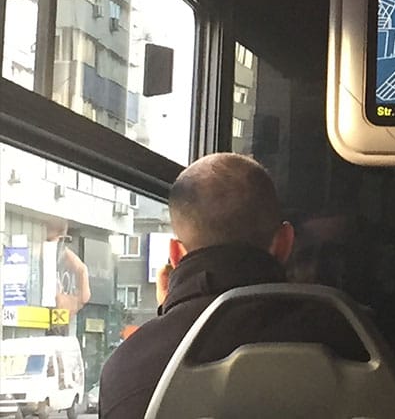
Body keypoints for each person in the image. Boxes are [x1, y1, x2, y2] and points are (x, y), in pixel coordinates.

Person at [99, 153, 365, 419]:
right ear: (284, 242)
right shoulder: (359, 339)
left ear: (176, 254)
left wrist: (171, 314)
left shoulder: (127, 368)